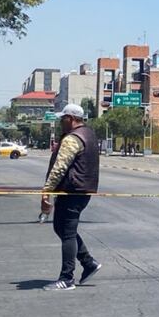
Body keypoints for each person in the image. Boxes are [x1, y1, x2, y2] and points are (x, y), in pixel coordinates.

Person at [40, 103, 102, 291]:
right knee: (61, 227)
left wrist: (47, 192)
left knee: (67, 232)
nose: (61, 121)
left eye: (63, 118)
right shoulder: (89, 134)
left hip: (72, 191)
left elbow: (60, 167)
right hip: (82, 190)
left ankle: (67, 278)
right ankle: (88, 262)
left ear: (72, 118)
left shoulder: (73, 138)